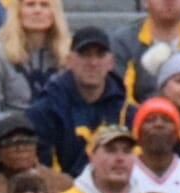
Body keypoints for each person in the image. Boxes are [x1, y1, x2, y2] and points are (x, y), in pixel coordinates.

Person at [29, 26, 125, 175]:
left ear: (111, 63)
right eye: (85, 54)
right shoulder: (44, 111)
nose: (93, 63)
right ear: (69, 60)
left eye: (100, 55)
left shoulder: (126, 111)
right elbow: (44, 172)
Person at [0, 0, 70, 116]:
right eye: (30, 4)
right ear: (17, 11)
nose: (37, 10)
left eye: (44, 5)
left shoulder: (68, 56)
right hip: (12, 130)